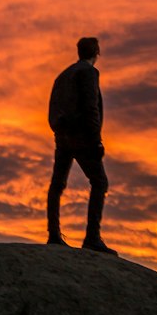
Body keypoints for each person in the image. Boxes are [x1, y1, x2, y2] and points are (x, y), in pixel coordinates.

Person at [45, 36, 116, 253]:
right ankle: (92, 237)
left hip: (63, 136)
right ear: (97, 52)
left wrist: (58, 130)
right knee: (100, 182)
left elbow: (53, 106)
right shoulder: (88, 73)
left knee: (58, 184)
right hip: (82, 137)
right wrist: (96, 140)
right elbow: (91, 106)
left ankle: (54, 234)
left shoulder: (64, 75)